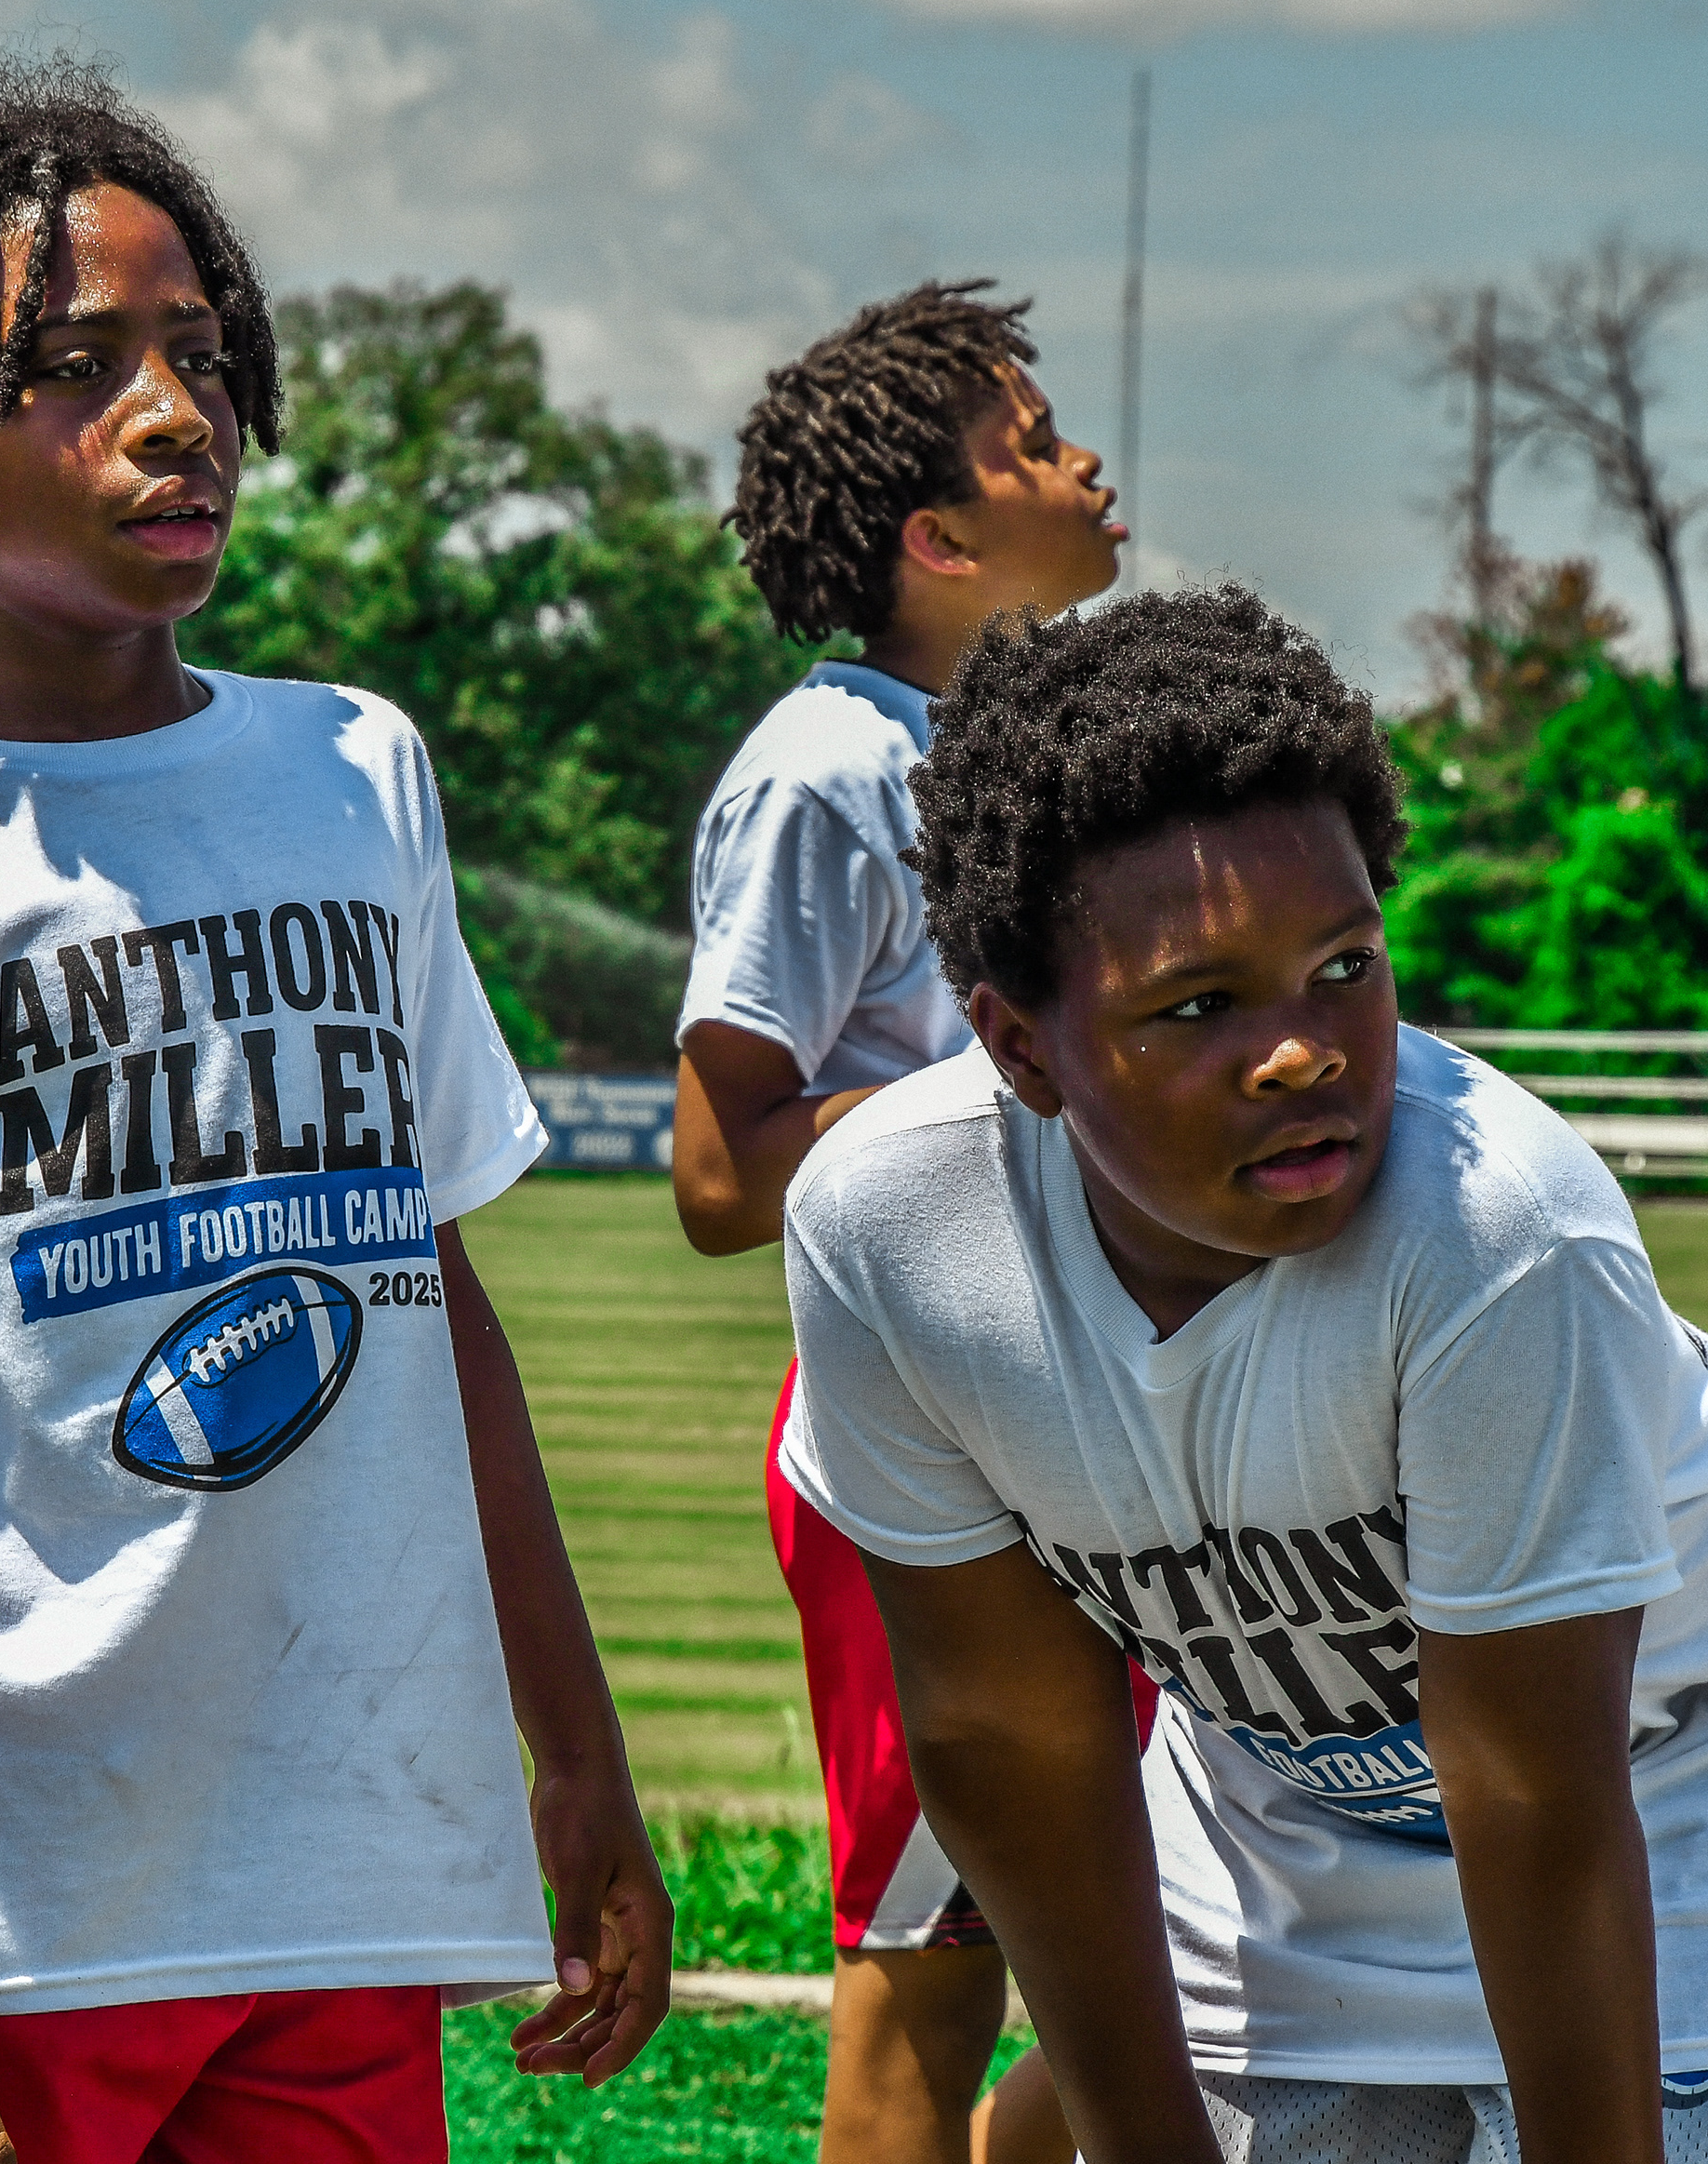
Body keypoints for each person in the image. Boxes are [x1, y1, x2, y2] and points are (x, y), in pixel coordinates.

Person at [0, 56, 670, 2164]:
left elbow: (437, 1308)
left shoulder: (352, 772)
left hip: (336, 1866)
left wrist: (573, 1749)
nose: (176, 415)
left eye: (198, 351)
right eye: (75, 370)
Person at [774, 584, 1708, 2164]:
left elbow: (1532, 1795)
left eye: (1344, 964)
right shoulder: (894, 1230)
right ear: (1019, 1043)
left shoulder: (1496, 1236)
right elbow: (1011, 1736)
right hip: (1300, 1825)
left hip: (1703, 1786)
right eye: (1200, 1004)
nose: (1303, 1049)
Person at [670, 281, 1124, 2164]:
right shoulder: (829, 767)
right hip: (930, 1448)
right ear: (938, 538)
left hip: (1097, 1420)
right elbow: (720, 1170)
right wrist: (1040, 1085)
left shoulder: (1038, 744)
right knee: (938, 1959)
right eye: (1034, 443)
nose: (1086, 465)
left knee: (1179, 1936)